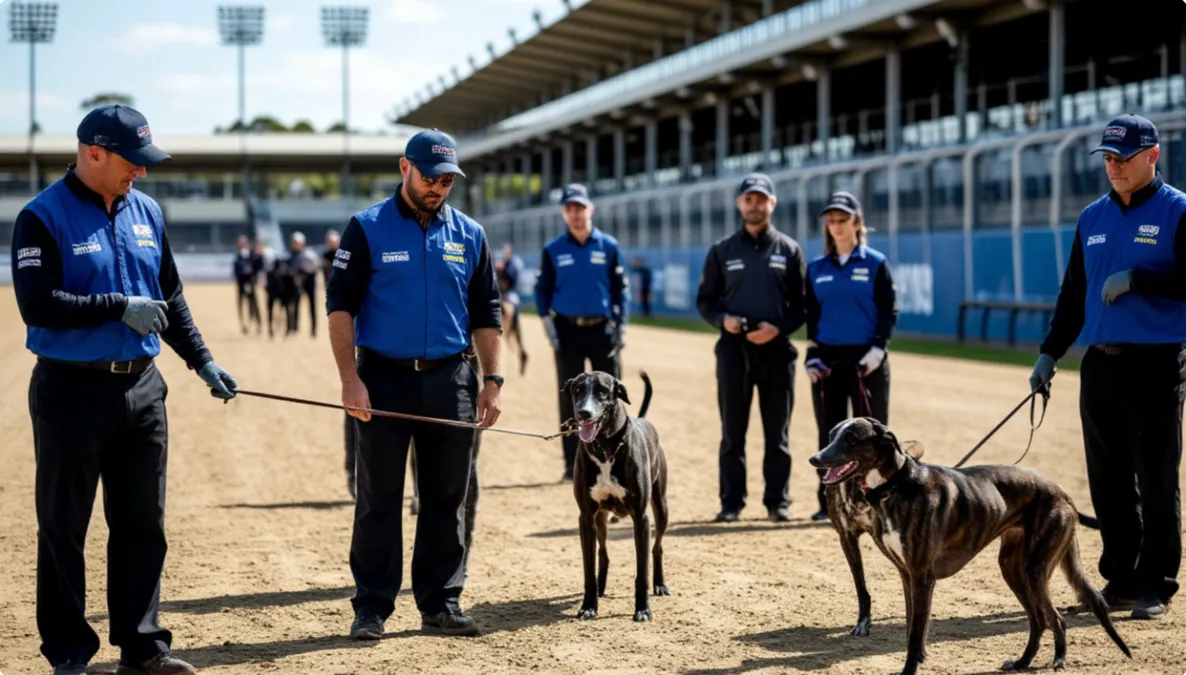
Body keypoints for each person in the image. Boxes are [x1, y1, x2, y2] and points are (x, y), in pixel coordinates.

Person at [10, 104, 239, 675]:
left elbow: (171, 297)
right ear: (94, 153)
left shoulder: (147, 212)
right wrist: (118, 307)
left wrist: (202, 361)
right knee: (64, 526)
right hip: (69, 391)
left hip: (143, 391)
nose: (141, 171)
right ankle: (68, 652)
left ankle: (142, 647)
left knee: (143, 523)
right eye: (131, 161)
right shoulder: (41, 217)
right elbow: (36, 304)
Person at [325, 128, 503, 639]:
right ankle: (372, 608)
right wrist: (349, 379)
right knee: (378, 498)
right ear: (405, 168)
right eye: (431, 177)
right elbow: (340, 306)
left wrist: (492, 380)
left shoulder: (470, 234)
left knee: (447, 497)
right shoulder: (366, 227)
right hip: (381, 380)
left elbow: (487, 311)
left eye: (448, 180)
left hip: (452, 379)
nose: (439, 187)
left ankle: (441, 602)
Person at [1030, 113, 1185, 620]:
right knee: (1109, 479)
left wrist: (1142, 276)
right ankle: (1119, 580)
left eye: (1123, 158)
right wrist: (1050, 352)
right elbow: (1073, 295)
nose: (1113, 167)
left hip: (1157, 364)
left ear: (1153, 156)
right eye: (1108, 159)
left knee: (1156, 478)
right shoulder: (1091, 217)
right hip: (1100, 367)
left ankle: (1156, 584)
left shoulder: (1177, 210)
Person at [695, 172, 807, 523]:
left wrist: (779, 328)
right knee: (733, 432)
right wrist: (722, 320)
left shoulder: (789, 250)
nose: (754, 205)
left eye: (761, 199)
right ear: (739, 203)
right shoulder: (722, 251)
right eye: (749, 199)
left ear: (772, 203)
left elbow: (803, 305)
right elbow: (705, 300)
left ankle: (778, 502)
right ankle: (731, 503)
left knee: (778, 433)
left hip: (777, 353)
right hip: (734, 352)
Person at [803, 190, 898, 522]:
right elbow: (811, 315)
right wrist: (811, 355)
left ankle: (878, 499)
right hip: (828, 361)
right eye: (831, 220)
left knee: (874, 436)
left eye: (843, 219)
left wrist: (878, 348)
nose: (836, 225)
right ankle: (828, 502)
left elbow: (888, 311)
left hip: (867, 360)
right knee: (829, 433)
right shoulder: (815, 268)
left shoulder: (875, 262)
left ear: (857, 222)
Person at [534, 183, 629, 481]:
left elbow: (620, 290)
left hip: (602, 331)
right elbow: (542, 290)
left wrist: (621, 324)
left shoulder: (609, 246)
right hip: (567, 331)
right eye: (570, 209)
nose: (576, 214)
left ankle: (618, 456)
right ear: (564, 213)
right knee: (571, 399)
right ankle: (572, 463)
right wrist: (548, 325)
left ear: (591, 209)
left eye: (580, 207)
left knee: (611, 397)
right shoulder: (553, 250)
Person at [496, 242, 529, 375]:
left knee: (511, 306)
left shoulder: (514, 264)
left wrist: (503, 270)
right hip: (502, 295)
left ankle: (512, 324)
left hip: (510, 294)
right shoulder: (501, 263)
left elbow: (510, 280)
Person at [289, 231, 320, 337]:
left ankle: (313, 329)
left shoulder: (309, 254)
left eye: (297, 242)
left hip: (309, 281)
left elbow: (316, 267)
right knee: (295, 304)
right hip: (297, 282)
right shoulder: (291, 255)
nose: (295, 244)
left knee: (312, 305)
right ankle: (295, 327)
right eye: (294, 242)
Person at [233, 234, 263, 335]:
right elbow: (236, 271)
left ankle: (258, 323)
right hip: (241, 284)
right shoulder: (238, 256)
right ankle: (244, 324)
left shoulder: (251, 254)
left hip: (250, 282)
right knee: (241, 304)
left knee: (254, 304)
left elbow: (258, 266)